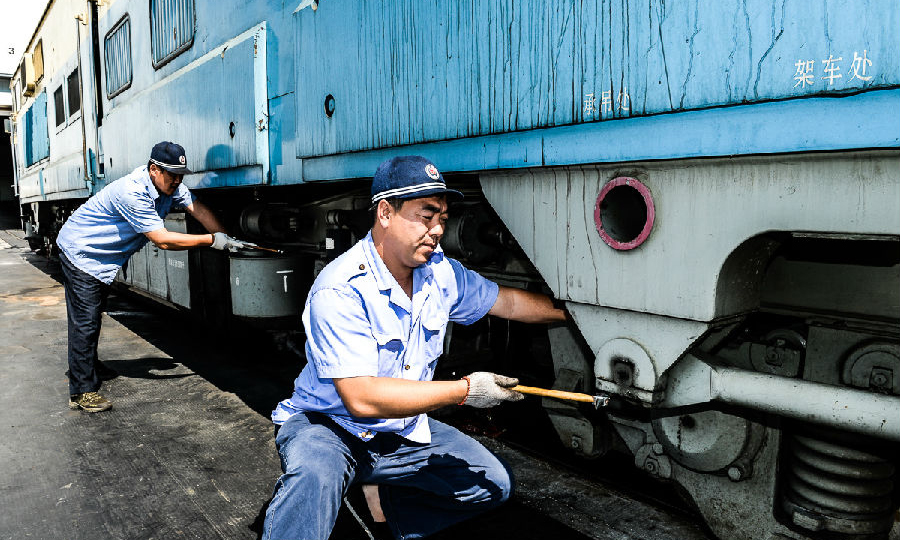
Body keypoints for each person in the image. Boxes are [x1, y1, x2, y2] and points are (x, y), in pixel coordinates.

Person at [263, 155, 567, 540]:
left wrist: (574, 316)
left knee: (492, 483)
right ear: (386, 213)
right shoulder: (339, 288)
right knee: (313, 479)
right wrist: (466, 391)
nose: (438, 229)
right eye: (426, 215)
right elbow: (361, 398)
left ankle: (388, 509)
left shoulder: (439, 273)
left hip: (400, 429)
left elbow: (506, 303)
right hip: (331, 426)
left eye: (442, 216)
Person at [56, 141, 250, 413]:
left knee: (93, 314)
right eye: (172, 175)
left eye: (180, 175)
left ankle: (87, 364)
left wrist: (225, 238)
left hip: (103, 256)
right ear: (153, 169)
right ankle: (82, 390)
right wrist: (211, 241)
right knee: (85, 320)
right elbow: (163, 240)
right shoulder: (132, 192)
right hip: (83, 252)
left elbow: (198, 209)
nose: (177, 181)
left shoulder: (171, 185)